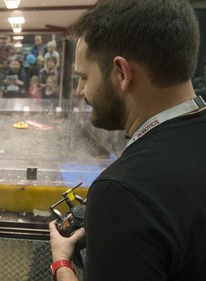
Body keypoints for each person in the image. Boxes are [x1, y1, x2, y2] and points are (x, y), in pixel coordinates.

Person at [49, 1, 206, 281]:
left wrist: (61, 263)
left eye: (84, 77)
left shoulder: (122, 192)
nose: (79, 90)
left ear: (122, 73)